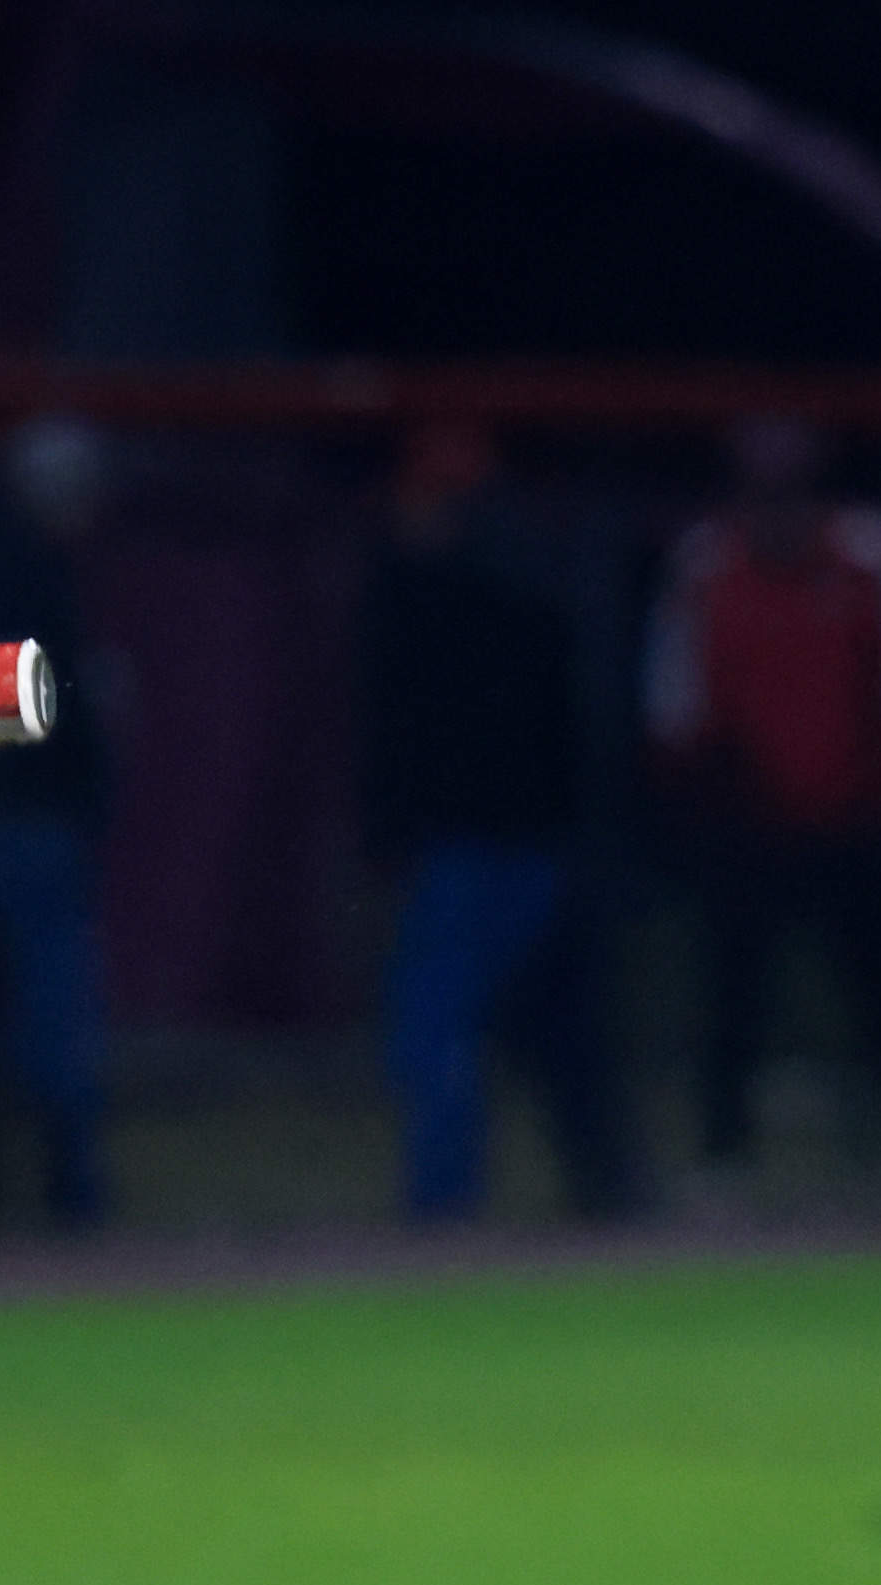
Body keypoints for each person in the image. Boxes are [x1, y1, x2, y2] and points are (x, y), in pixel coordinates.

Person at [645, 417, 881, 1201]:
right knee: (731, 997)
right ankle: (722, 1160)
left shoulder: (873, 551)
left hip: (854, 819)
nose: (778, 511)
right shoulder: (706, 560)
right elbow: (675, 705)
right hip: (745, 818)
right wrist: (709, 799)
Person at [363, 420, 643, 1223]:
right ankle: (599, 1188)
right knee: (541, 1029)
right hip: (525, 851)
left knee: (450, 1029)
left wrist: (388, 838)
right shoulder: (522, 591)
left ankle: (449, 1203)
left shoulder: (446, 600)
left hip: (485, 855)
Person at [0, 417, 117, 1228]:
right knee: (47, 1010)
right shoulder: (28, 579)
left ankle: (7, 1187)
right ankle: (63, 1188)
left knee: (9, 1008)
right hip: (24, 825)